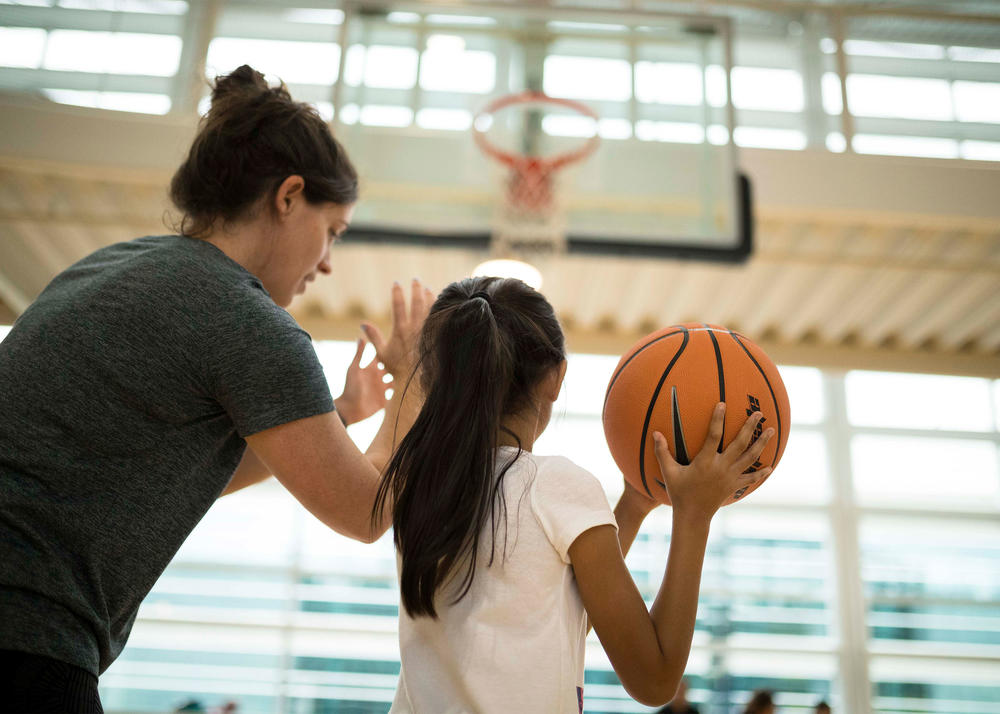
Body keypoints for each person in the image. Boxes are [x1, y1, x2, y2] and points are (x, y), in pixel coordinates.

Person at [0, 65, 430, 712]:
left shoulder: (113, 264)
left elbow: (185, 473)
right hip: (26, 641)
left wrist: (341, 413)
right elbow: (367, 512)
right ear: (288, 196)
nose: (327, 261)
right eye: (332, 231)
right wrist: (417, 389)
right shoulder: (245, 320)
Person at [370, 276, 775, 712]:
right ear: (555, 377)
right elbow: (655, 680)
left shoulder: (420, 487)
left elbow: (547, 620)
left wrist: (633, 508)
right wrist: (694, 516)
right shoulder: (556, 485)